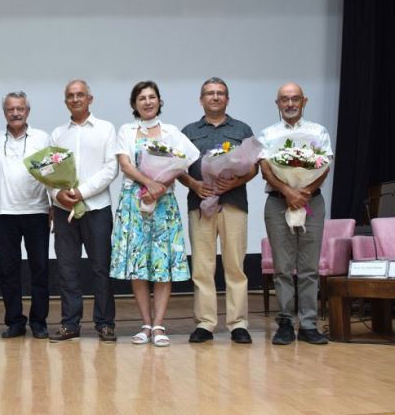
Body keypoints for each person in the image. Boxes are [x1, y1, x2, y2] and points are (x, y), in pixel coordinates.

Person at [110, 80, 199, 347]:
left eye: (152, 97)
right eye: (141, 98)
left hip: (164, 205)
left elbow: (183, 163)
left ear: (159, 101)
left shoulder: (171, 131)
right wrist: (149, 183)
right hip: (133, 204)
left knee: (162, 265)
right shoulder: (127, 130)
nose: (147, 102)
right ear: (134, 104)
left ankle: (159, 325)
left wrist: (160, 187)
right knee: (138, 265)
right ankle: (145, 324)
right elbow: (125, 164)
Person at [179, 77, 257, 344]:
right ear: (201, 99)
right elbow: (178, 168)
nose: (215, 97)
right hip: (199, 206)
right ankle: (205, 323)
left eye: (220, 93)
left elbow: (254, 167)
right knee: (202, 267)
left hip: (233, 204)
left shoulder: (242, 129)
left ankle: (238, 324)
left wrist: (235, 181)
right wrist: (194, 184)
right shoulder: (188, 131)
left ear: (227, 99)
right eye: (210, 93)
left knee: (235, 266)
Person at [258, 82, 333, 345]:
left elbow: (324, 166)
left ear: (304, 101)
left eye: (295, 99)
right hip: (278, 202)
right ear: (277, 103)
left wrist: (305, 192)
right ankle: (286, 323)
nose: (290, 104)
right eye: (284, 100)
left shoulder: (318, 131)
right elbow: (265, 168)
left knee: (309, 267)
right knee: (282, 267)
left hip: (312, 202)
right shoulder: (268, 134)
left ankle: (310, 324)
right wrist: (287, 191)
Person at [48, 80, 118, 343]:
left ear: (90, 98)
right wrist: (58, 195)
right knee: (67, 269)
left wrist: (82, 192)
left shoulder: (106, 129)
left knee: (101, 268)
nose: (75, 99)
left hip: (96, 208)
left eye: (80, 95)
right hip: (63, 211)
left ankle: (105, 323)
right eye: (70, 96)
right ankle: (70, 323)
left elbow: (111, 168)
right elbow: (48, 174)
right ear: (65, 101)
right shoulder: (57, 134)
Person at [0, 91, 51, 339]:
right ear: (4, 112)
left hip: (36, 211)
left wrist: (53, 206)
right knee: (8, 270)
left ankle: (39, 321)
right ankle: (14, 321)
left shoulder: (42, 138)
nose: (15, 113)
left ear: (28, 111)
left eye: (20, 109)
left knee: (40, 268)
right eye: (11, 109)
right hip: (4, 213)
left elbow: (52, 175)